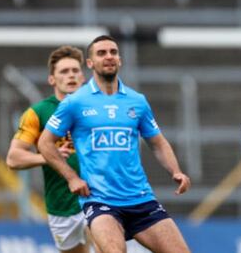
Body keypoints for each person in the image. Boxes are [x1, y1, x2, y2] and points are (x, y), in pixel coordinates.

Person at [37, 35, 192, 253]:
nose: (109, 56)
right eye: (101, 53)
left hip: (140, 198)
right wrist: (71, 178)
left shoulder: (137, 101)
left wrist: (176, 171)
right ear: (90, 63)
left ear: (119, 60)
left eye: (113, 52)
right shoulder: (75, 102)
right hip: (100, 201)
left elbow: (157, 142)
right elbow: (45, 143)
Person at [6, 46, 92, 253]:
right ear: (52, 80)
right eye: (63, 71)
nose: (70, 75)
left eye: (75, 70)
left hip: (98, 196)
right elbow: (13, 158)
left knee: (107, 244)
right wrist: (48, 157)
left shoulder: (98, 108)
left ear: (83, 77)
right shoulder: (38, 113)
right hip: (61, 204)